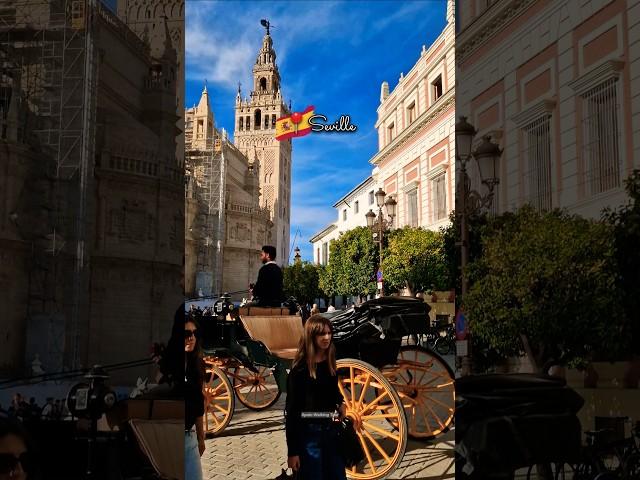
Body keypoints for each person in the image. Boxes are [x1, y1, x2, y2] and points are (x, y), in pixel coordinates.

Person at [285, 315, 347, 480]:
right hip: (309, 435)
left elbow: (332, 389)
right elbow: (291, 413)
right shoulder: (299, 371)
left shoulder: (329, 361)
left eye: (329, 333)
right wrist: (293, 452)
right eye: (321, 334)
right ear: (311, 336)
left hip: (332, 430)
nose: (327, 337)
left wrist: (340, 402)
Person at [184, 315, 206, 480]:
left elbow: (199, 404)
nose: (191, 337)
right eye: (186, 334)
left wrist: (201, 437)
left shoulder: (197, 364)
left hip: (189, 437)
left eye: (194, 333)